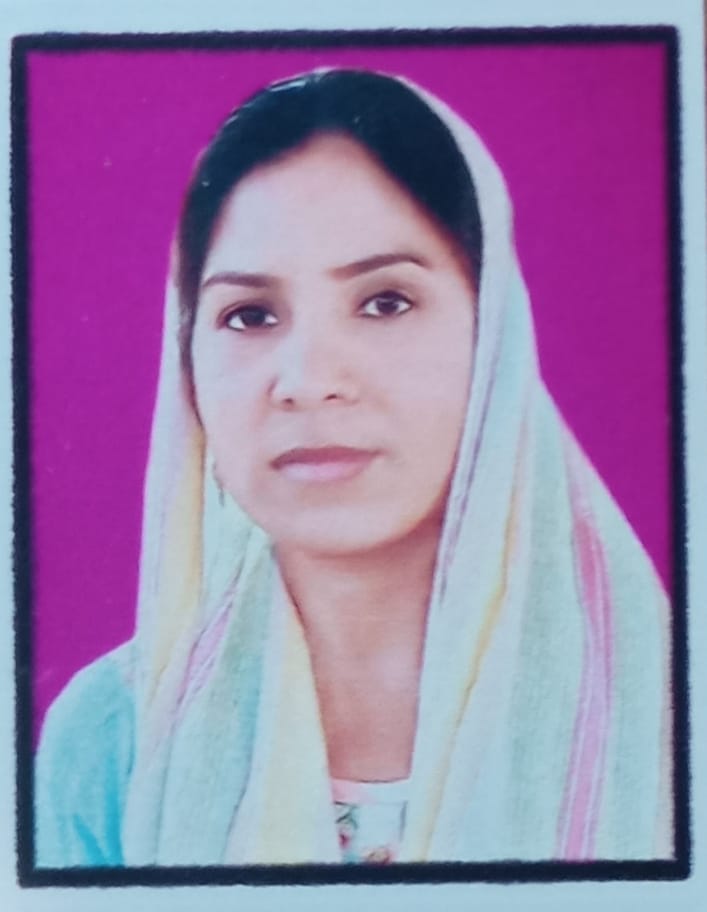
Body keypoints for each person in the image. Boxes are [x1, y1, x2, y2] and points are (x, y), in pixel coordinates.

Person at [35, 68, 673, 867]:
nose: (308, 381)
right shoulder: (114, 740)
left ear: (495, 338)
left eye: (384, 302)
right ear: (186, 365)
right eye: (249, 315)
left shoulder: (663, 706)